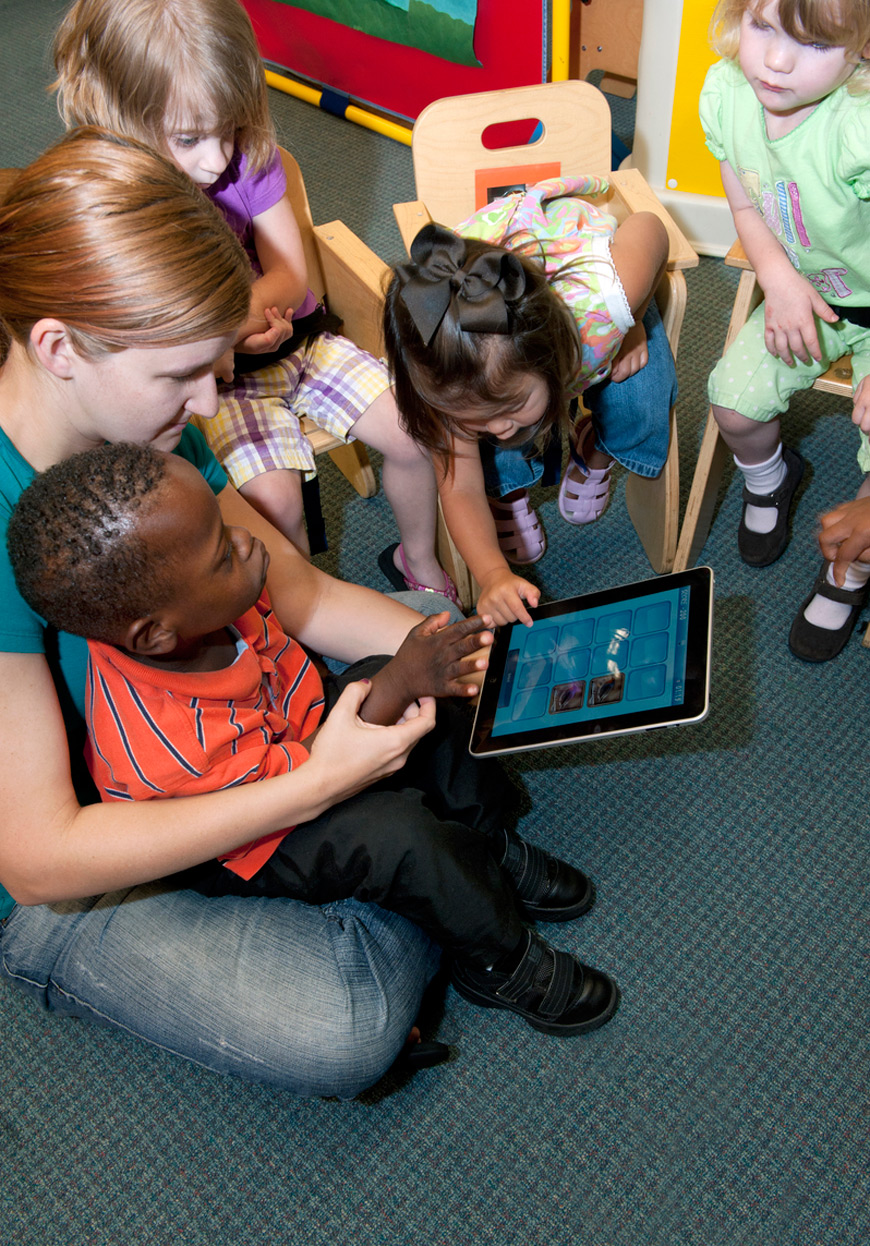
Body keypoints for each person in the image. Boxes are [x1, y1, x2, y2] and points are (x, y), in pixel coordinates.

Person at [0, 129, 617, 1099]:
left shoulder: (147, 433)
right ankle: (444, 883)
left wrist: (467, 663)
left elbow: (298, 591)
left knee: (426, 629)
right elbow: (40, 857)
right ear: (59, 347)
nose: (211, 403)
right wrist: (318, 788)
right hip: (96, 852)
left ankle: (449, 867)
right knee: (347, 1026)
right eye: (183, 378)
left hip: (255, 728)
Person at [8, 442, 619, 1037]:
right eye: (222, 554)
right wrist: (396, 684)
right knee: (396, 835)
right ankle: (497, 961)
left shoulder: (212, 602)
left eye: (226, 528)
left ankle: (489, 843)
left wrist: (408, 677)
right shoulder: (169, 743)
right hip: (253, 827)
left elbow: (318, 690)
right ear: (156, 635)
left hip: (294, 733)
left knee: (431, 696)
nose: (248, 540)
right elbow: (310, 787)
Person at [51, 0, 458, 603]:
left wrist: (238, 319)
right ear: (126, 114)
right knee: (273, 503)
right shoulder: (116, 206)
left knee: (414, 430)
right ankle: (300, 606)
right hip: (218, 383)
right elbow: (143, 339)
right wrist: (230, 333)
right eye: (190, 138)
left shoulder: (247, 161)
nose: (217, 160)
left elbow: (290, 276)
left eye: (229, 127)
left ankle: (415, 558)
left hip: (299, 342)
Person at [382, 183, 672, 628]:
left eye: (511, 406)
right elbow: (458, 487)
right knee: (499, 448)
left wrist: (633, 315)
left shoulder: (609, 297)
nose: (497, 429)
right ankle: (510, 490)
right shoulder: (448, 380)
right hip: (482, 314)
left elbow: (650, 229)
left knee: (642, 394)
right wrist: (493, 573)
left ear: (549, 358)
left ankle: (594, 446)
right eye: (477, 419)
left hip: (593, 285)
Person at [701, 0, 870, 662]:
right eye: (763, 26)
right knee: (731, 404)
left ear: (860, 47)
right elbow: (742, 194)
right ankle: (772, 475)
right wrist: (774, 272)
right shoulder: (726, 90)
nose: (775, 59)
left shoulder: (859, 128)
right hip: (803, 293)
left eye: (814, 43)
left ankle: (848, 569)